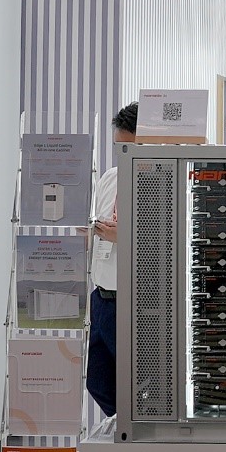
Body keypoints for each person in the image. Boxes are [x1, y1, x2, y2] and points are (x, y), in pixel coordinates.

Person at [86, 102, 138, 418]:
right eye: (119, 148)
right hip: (102, 297)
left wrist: (126, 237)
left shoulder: (162, 181)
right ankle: (122, 426)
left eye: (130, 148)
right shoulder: (110, 178)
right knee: (97, 380)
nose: (123, 155)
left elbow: (170, 241)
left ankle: (136, 432)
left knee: (138, 382)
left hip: (134, 301)